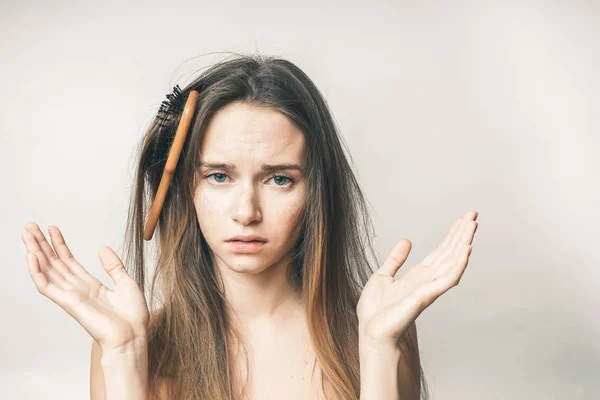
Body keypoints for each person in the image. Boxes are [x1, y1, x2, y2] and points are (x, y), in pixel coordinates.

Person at [21, 53, 479, 399]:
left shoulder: (374, 332)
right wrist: (123, 358)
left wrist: (378, 350)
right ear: (185, 189)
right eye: (218, 176)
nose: (247, 211)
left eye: (279, 178)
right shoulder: (129, 344)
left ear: (316, 191)